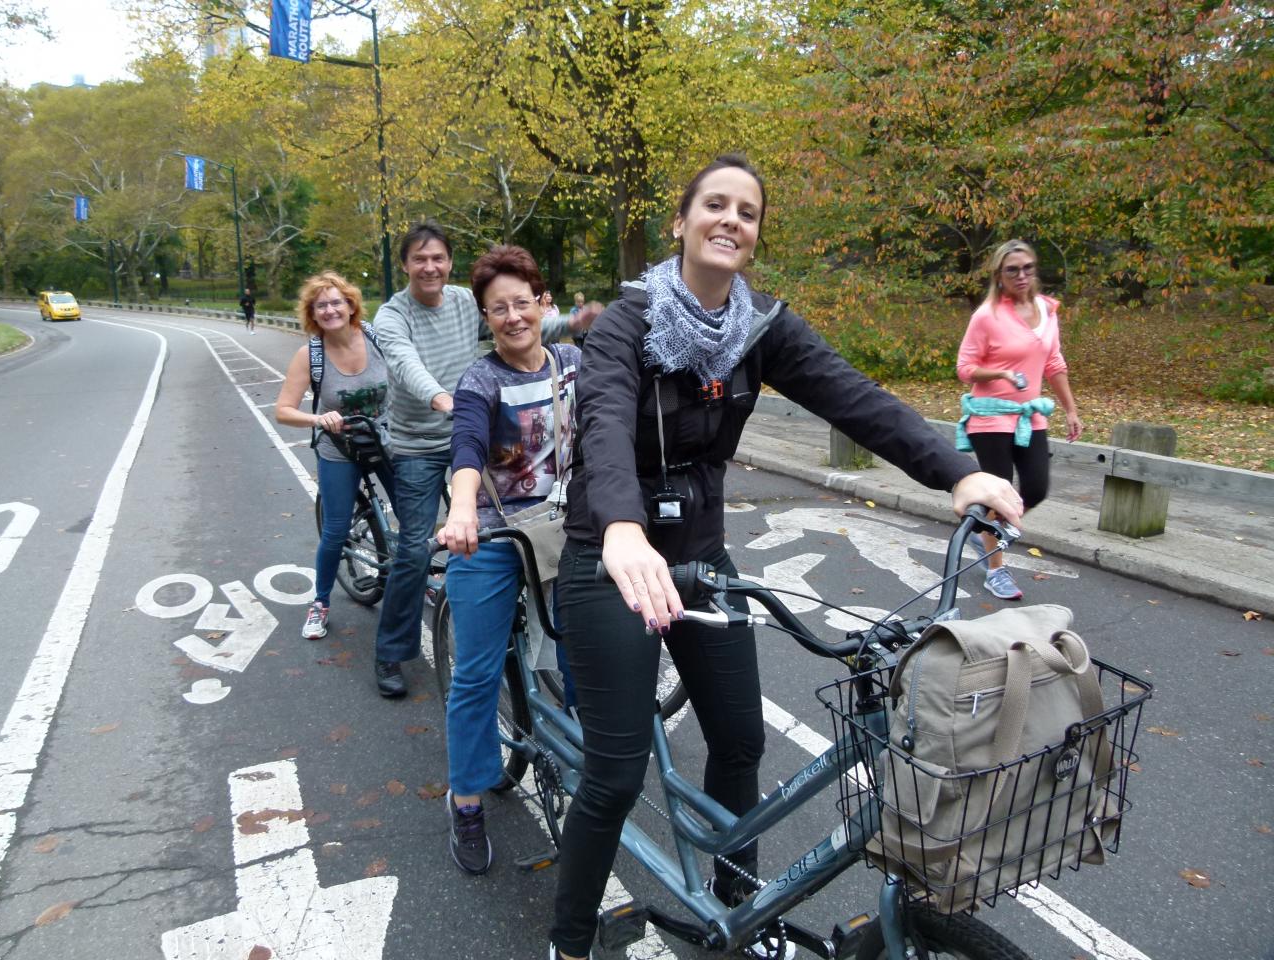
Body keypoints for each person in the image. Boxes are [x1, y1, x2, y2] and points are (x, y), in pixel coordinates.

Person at [546, 155, 1024, 960]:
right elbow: (601, 420)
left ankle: (744, 912)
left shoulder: (759, 329)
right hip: (611, 553)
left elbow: (855, 398)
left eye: (749, 212)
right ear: (681, 222)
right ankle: (566, 943)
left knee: (739, 743)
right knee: (615, 773)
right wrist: (622, 524)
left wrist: (959, 471)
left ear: (756, 235)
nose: (732, 220)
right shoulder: (626, 321)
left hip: (700, 554)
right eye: (715, 206)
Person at [370, 221, 593, 698]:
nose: (429, 266)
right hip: (424, 437)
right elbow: (404, 362)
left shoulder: (462, 302)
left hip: (481, 423)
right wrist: (443, 399)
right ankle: (392, 648)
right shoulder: (392, 315)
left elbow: (516, 318)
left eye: (438, 258)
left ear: (448, 262)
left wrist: (570, 325)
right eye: (418, 259)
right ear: (406, 265)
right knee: (416, 548)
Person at [435, 245, 581, 875]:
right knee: (474, 675)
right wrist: (462, 510)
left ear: (542, 303)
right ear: (485, 317)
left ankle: (587, 766)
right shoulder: (481, 380)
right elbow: (465, 448)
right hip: (491, 535)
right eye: (500, 309)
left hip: (566, 529)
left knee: (588, 653)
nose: (514, 317)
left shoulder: (575, 362)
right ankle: (466, 800)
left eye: (524, 303)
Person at [955, 238, 1082, 601]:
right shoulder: (987, 316)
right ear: (999, 275)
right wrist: (1002, 375)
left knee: (1036, 488)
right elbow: (965, 369)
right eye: (1013, 270)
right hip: (990, 417)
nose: (1022, 275)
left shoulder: (1047, 309)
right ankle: (996, 571)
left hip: (1030, 417)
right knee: (999, 492)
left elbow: (1054, 363)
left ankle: (986, 533)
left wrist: (1071, 409)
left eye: (1028, 268)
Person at [274, 272, 393, 640]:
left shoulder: (377, 337)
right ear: (312, 313)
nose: (330, 310)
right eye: (320, 305)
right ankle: (320, 602)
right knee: (336, 529)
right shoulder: (310, 355)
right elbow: (283, 410)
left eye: (336, 302)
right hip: (339, 449)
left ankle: (418, 573)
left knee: (413, 513)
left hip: (384, 439)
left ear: (351, 304)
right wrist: (319, 418)